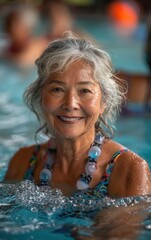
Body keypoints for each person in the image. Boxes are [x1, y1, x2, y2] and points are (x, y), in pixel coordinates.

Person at [4, 32, 151, 198]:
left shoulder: (128, 170)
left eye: (85, 91)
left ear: (103, 102)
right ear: (40, 97)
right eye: (57, 89)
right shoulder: (22, 163)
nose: (70, 104)